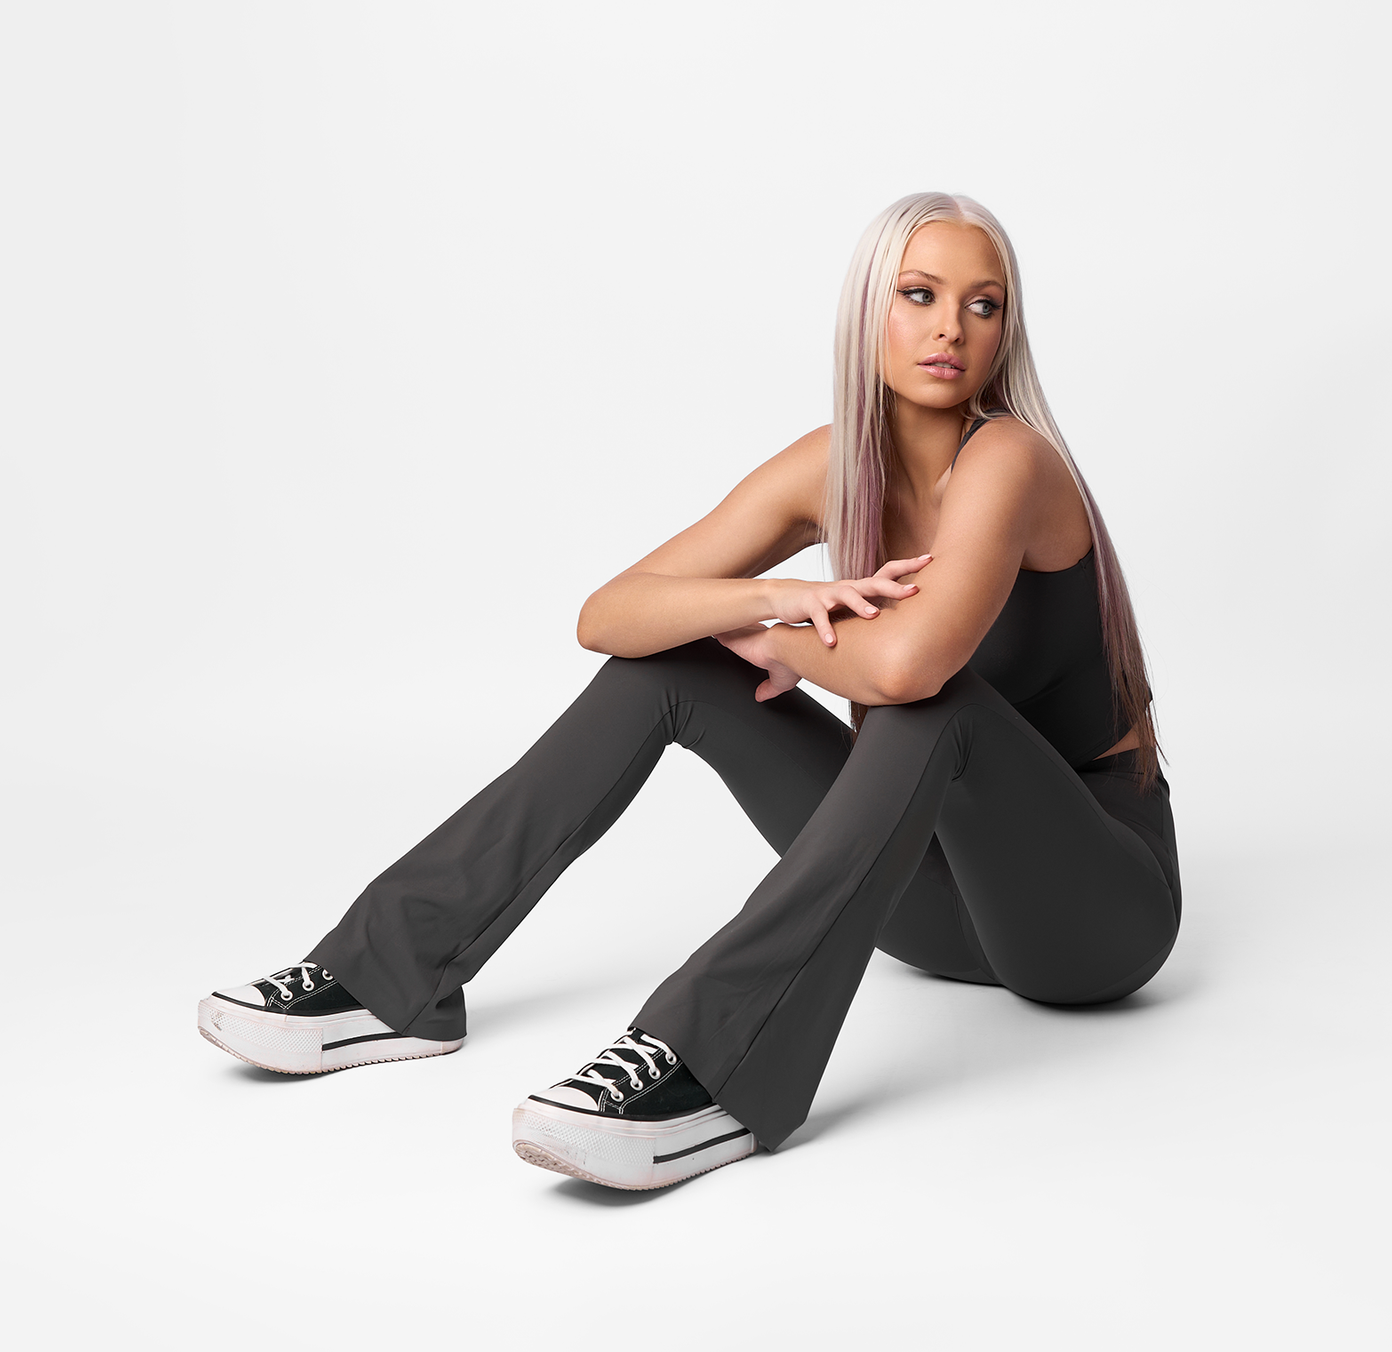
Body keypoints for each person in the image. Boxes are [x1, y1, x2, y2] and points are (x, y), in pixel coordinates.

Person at [196, 192, 1181, 1190]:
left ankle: (714, 1062)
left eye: (982, 304)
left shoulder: (1010, 458)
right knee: (668, 665)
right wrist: (772, 599)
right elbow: (611, 614)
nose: (949, 329)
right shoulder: (835, 464)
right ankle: (389, 974)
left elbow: (904, 670)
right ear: (867, 311)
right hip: (928, 905)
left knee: (940, 708)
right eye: (918, 294)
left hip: (1091, 918)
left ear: (1006, 329)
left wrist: (772, 638)